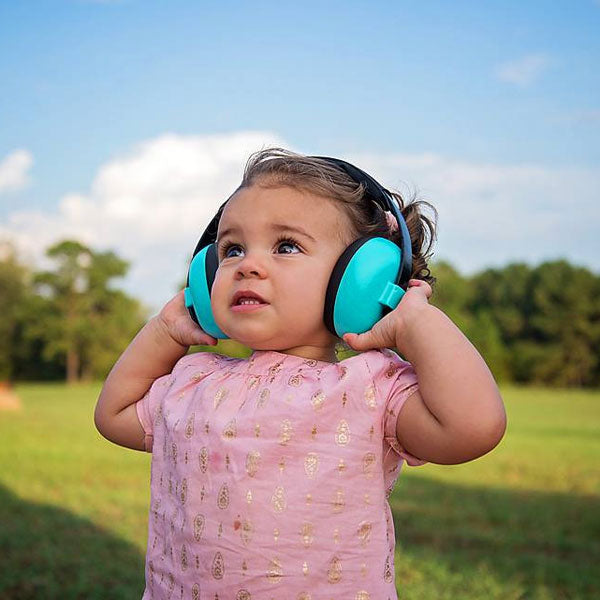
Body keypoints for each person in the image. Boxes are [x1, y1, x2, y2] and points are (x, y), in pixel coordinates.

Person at [94, 148, 507, 599]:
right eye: (232, 249)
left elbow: (473, 428)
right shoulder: (194, 380)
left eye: (286, 246)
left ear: (360, 280)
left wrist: (418, 323)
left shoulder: (370, 389)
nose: (247, 265)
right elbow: (115, 415)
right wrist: (163, 332)